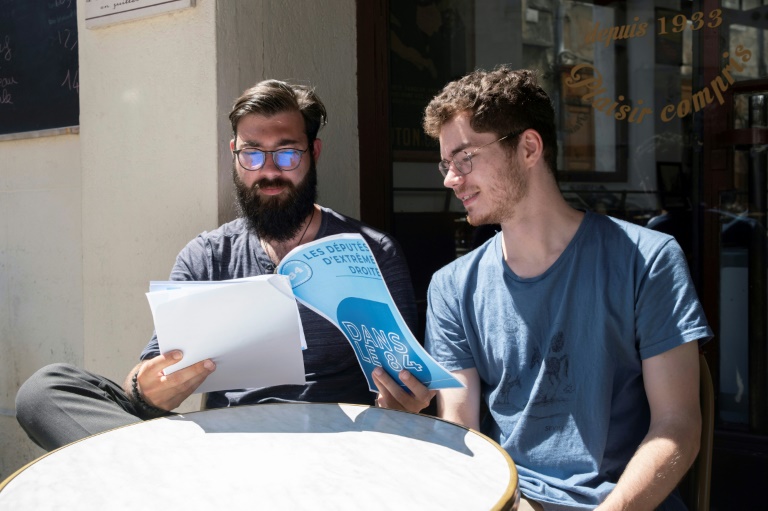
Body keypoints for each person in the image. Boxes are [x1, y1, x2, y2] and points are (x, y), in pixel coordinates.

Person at [373, 66, 711, 511]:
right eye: (446, 164)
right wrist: (409, 417)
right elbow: (462, 430)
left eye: (465, 158)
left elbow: (679, 426)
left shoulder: (646, 259)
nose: (450, 179)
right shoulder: (452, 287)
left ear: (529, 147)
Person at [17, 79, 417, 452]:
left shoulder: (373, 252)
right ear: (234, 154)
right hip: (223, 449)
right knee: (44, 390)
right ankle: (160, 476)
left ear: (313, 153)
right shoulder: (207, 255)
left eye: (287, 152)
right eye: (252, 153)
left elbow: (406, 384)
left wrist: (402, 404)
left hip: (331, 446)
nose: (269, 170)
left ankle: (154, 485)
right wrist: (147, 390)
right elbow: (152, 373)